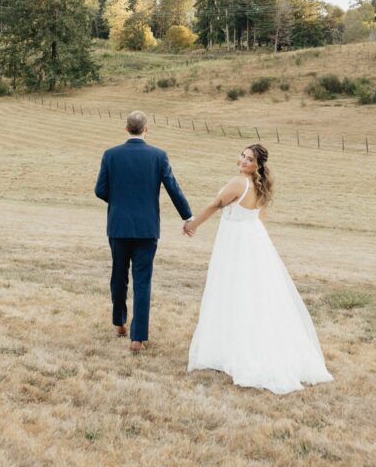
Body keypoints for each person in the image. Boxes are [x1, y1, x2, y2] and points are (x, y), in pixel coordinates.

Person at [185, 143, 333, 394]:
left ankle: (240, 350)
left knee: (235, 291)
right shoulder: (260, 187)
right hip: (252, 240)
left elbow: (214, 205)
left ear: (257, 165)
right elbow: (259, 219)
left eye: (249, 158)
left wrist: (193, 225)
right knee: (253, 293)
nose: (243, 160)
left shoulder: (239, 183)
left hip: (236, 242)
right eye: (242, 155)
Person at [94, 110, 193, 353]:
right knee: (142, 279)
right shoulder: (158, 155)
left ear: (126, 129)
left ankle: (119, 323)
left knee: (119, 275)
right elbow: (173, 187)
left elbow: (100, 190)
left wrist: (118, 202)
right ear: (146, 129)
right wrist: (187, 215)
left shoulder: (111, 155)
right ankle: (137, 338)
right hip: (147, 227)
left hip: (118, 226)